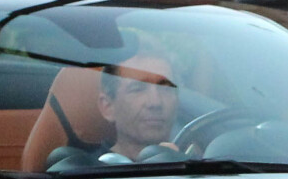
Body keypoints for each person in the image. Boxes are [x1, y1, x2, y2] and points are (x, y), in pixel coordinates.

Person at [46, 51, 185, 172]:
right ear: (108, 107)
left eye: (166, 89)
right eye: (137, 89)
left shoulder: (200, 165)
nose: (155, 102)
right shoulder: (81, 173)